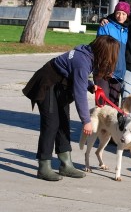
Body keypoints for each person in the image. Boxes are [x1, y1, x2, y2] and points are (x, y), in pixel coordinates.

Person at [22, 36, 120, 181]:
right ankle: (44, 166)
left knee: (63, 122)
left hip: (60, 86)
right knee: (51, 124)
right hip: (47, 84)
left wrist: (90, 85)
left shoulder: (88, 55)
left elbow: (73, 73)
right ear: (104, 52)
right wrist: (86, 120)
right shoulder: (83, 61)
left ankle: (65, 164)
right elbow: (79, 93)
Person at [94, 1, 130, 106]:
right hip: (103, 71)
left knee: (113, 103)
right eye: (118, 12)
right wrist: (106, 67)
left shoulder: (127, 30)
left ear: (127, 15)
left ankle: (111, 123)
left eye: (124, 14)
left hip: (118, 72)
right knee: (102, 102)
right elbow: (100, 49)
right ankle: (100, 122)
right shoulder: (105, 26)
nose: (120, 16)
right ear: (114, 13)